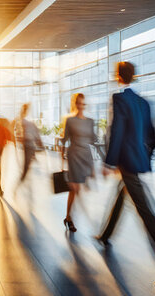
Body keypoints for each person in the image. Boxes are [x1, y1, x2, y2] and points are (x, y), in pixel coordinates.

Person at [99, 61, 155, 289]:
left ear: (118, 77)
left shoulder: (119, 99)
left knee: (147, 215)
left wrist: (109, 162)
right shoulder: (144, 103)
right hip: (137, 160)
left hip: (126, 163)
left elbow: (116, 132)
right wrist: (143, 154)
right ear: (133, 76)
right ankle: (105, 234)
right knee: (122, 193)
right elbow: (153, 137)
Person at [59, 93, 96, 232]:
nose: (81, 106)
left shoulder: (90, 121)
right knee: (75, 188)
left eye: (83, 103)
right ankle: (73, 219)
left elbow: (93, 139)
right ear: (75, 104)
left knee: (76, 190)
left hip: (85, 157)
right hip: (74, 156)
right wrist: (61, 159)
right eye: (78, 103)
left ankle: (68, 217)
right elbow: (64, 139)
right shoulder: (70, 121)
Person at [17, 103, 42, 182]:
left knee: (26, 165)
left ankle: (22, 178)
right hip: (28, 144)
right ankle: (22, 179)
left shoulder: (27, 121)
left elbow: (34, 132)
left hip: (29, 144)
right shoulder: (24, 121)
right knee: (26, 165)